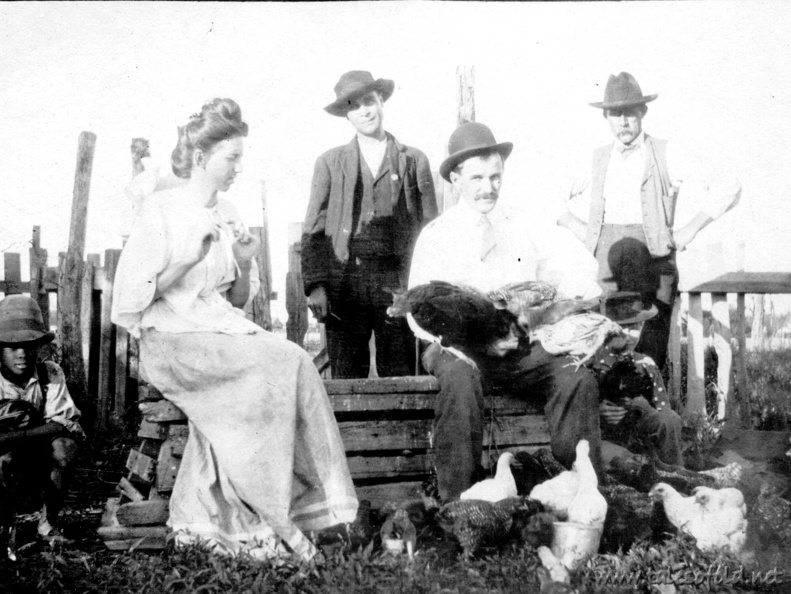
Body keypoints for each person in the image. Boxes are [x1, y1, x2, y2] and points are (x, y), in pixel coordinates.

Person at [111, 98, 357, 562]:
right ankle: (275, 520)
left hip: (214, 330)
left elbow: (238, 301)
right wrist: (185, 258)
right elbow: (131, 304)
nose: (238, 168)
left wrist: (243, 263)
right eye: (231, 158)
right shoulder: (161, 208)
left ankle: (311, 511)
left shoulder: (227, 210)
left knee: (296, 359)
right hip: (170, 339)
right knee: (275, 363)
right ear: (202, 157)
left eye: (241, 158)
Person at [409, 122, 604, 501]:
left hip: (518, 346)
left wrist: (555, 306)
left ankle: (582, 494)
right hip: (457, 348)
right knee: (461, 381)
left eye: (495, 176)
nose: (488, 187)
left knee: (576, 378)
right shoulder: (437, 235)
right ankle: (457, 505)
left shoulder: (525, 222)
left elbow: (580, 270)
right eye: (478, 177)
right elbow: (417, 314)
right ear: (455, 179)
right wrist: (458, 339)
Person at [557, 72, 741, 370]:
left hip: (656, 269)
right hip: (610, 271)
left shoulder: (667, 153)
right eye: (616, 114)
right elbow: (544, 194)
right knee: (608, 352)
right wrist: (578, 228)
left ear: (643, 112)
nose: (623, 121)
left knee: (650, 354)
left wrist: (689, 230)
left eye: (630, 112)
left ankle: (652, 414)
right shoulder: (595, 159)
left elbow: (729, 184)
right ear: (606, 117)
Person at [302, 71, 438, 378]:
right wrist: (316, 285)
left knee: (403, 374)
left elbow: (432, 232)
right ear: (347, 116)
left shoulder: (413, 160)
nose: (364, 110)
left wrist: (424, 292)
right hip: (345, 283)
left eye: (370, 101)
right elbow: (313, 230)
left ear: (381, 103)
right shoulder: (330, 163)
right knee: (347, 377)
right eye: (355, 105)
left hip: (396, 283)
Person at [0, 295, 85, 555]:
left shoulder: (49, 373)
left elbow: (63, 423)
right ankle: (5, 527)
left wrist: (12, 438)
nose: (22, 353)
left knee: (65, 448)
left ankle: (48, 525)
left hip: (34, 456)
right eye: (12, 347)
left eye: (29, 345)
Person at [589, 292, 683, 465]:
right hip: (599, 438)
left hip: (636, 436)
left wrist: (645, 410)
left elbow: (663, 410)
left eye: (636, 327)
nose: (630, 335)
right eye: (623, 328)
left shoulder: (645, 363)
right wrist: (599, 410)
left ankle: (676, 474)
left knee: (671, 419)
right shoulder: (592, 362)